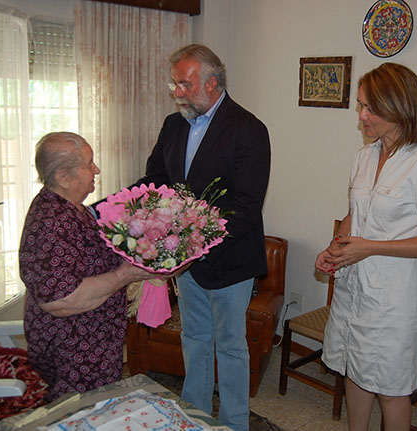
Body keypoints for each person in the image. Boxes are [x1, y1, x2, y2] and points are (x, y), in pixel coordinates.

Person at [134, 44, 271, 431]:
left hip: (230, 259)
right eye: (174, 84)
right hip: (185, 260)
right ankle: (193, 417)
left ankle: (234, 423)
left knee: (230, 346)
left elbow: (246, 205)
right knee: (194, 337)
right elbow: (156, 182)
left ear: (212, 83)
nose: (177, 92)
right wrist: (117, 208)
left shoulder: (248, 129)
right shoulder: (173, 125)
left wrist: (199, 244)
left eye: (185, 84)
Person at [315, 63, 417, 431]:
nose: (361, 116)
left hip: (394, 298)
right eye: (360, 105)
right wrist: (335, 249)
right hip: (355, 286)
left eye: (370, 108)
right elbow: (355, 215)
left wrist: (370, 248)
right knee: (355, 372)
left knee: (392, 388)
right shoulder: (364, 156)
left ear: (399, 108)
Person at [20, 132, 157, 402]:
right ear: (63, 177)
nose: (96, 169)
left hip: (91, 347)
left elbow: (92, 260)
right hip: (71, 353)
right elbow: (61, 300)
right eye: (88, 164)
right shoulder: (50, 222)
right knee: (77, 413)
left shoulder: (70, 208)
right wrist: (127, 274)